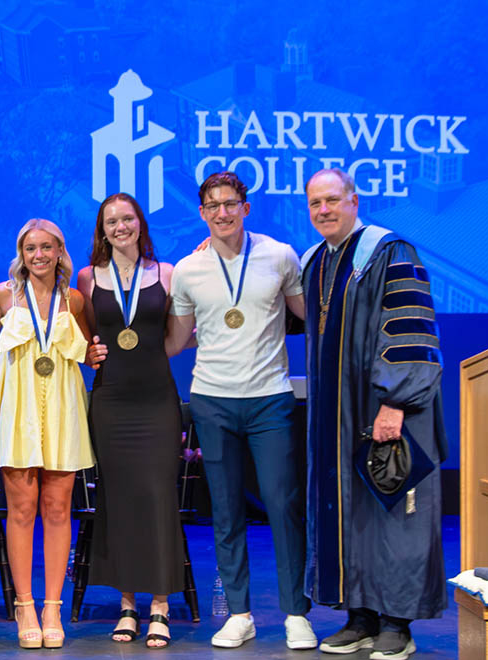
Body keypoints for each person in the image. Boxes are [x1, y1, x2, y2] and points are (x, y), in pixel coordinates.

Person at [165, 171, 315, 650]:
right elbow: (176, 339)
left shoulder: (280, 255)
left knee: (283, 505)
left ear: (245, 208)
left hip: (270, 397)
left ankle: (296, 613)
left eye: (231, 204)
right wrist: (121, 349)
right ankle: (239, 613)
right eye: (213, 206)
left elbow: (308, 317)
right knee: (226, 512)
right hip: (212, 399)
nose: (223, 213)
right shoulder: (188, 270)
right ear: (203, 212)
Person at [301, 169, 447, 660]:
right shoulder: (318, 262)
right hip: (341, 418)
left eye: (332, 200)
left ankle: (396, 624)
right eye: (315, 202)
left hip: (388, 410)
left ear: (353, 200)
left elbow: (409, 330)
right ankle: (360, 616)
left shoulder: (389, 252)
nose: (323, 209)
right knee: (353, 514)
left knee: (394, 511)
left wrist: (395, 402)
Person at [0, 219, 105, 650]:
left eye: (47, 247)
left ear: (60, 251)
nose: (39, 256)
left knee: (57, 507)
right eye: (31, 248)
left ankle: (52, 606)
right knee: (23, 507)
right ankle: (24, 604)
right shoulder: (2, 296)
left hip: (64, 411)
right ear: (21, 252)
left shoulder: (76, 300)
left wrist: (97, 354)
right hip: (17, 412)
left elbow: (89, 352)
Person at [75, 192, 184, 648]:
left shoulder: (168, 273)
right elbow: (79, 338)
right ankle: (126, 605)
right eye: (111, 221)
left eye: (127, 218)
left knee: (159, 496)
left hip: (156, 398)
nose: (120, 227)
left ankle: (159, 606)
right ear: (102, 229)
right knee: (117, 499)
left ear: (140, 223)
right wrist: (88, 352)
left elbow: (176, 340)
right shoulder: (86, 278)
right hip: (111, 401)